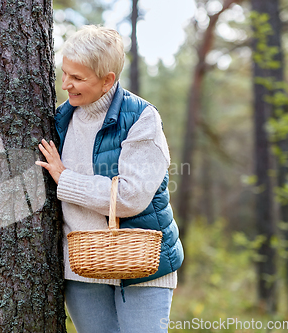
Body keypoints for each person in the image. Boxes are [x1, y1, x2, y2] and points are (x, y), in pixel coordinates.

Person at [35, 25, 184, 333]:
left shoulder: (141, 119)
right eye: (64, 73)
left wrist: (66, 180)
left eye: (77, 78)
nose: (65, 85)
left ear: (107, 81)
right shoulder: (59, 120)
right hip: (82, 270)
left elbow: (130, 197)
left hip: (142, 268)